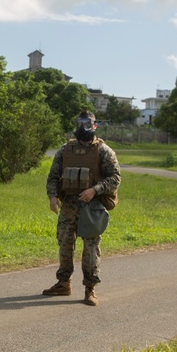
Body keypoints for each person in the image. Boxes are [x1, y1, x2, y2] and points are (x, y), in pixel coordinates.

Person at [43, 109, 121, 306]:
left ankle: (90, 288)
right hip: (68, 205)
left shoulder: (103, 151)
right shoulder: (65, 150)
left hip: (92, 207)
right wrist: (53, 196)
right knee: (64, 244)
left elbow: (115, 178)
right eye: (81, 123)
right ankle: (63, 283)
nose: (83, 127)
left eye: (88, 124)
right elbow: (53, 176)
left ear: (95, 126)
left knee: (91, 248)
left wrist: (95, 190)